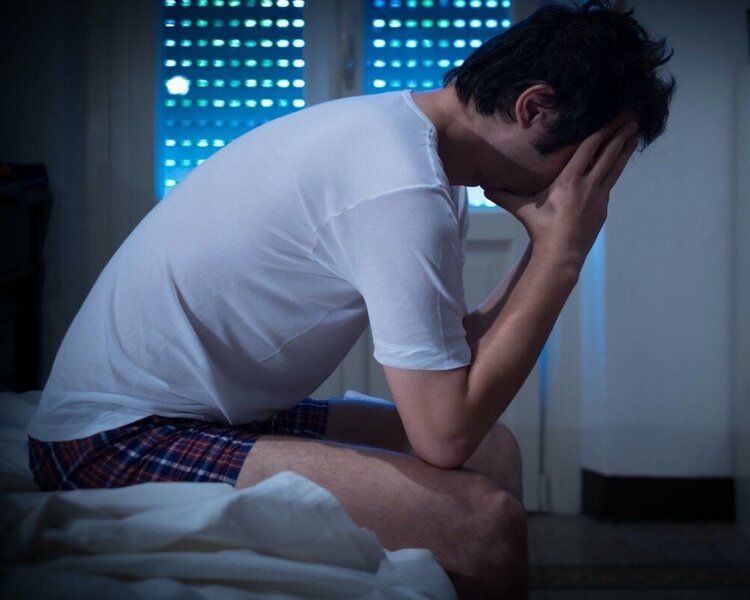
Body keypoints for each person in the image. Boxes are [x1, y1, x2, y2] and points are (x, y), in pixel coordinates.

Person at [27, 1, 674, 597]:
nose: (581, 190)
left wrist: (549, 248)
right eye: (590, 165)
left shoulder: (419, 153)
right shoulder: (399, 184)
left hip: (221, 413)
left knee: (494, 450)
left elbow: (460, 363)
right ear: (535, 109)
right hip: (110, 437)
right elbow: (443, 434)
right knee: (486, 525)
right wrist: (563, 253)